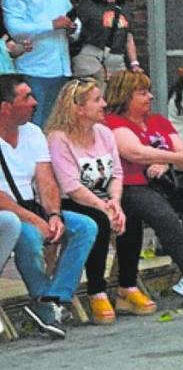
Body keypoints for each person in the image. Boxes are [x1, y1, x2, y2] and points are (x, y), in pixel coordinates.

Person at [105, 70, 183, 305]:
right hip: (133, 186)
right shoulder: (113, 123)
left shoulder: (158, 121)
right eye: (142, 93)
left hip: (169, 182)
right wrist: (168, 156)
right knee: (164, 215)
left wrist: (163, 161)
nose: (150, 97)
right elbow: (133, 152)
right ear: (125, 96)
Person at [45, 77, 155, 324]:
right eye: (97, 100)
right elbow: (71, 185)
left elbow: (116, 173)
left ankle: (127, 285)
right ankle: (97, 290)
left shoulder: (104, 133)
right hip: (72, 201)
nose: (104, 104)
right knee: (99, 221)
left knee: (131, 215)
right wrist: (103, 207)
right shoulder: (58, 138)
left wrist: (115, 201)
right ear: (78, 108)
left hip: (105, 196)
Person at [0, 74, 98, 339]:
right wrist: (35, 221)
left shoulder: (32, 133)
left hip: (33, 207)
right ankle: (43, 302)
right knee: (30, 237)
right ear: (5, 107)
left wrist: (53, 214)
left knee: (85, 226)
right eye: (26, 97)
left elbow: (46, 179)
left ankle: (56, 296)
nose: (35, 102)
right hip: (7, 214)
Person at [2, 0, 80, 125]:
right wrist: (51, 25)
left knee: (58, 124)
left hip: (62, 68)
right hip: (34, 69)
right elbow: (15, 28)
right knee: (34, 123)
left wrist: (74, 28)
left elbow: (73, 17)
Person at [72, 0, 142, 85]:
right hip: (95, 56)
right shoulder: (88, 7)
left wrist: (134, 63)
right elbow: (75, 34)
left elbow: (128, 37)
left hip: (117, 59)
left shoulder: (124, 8)